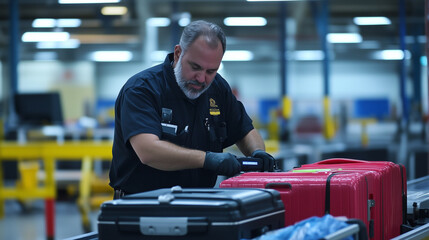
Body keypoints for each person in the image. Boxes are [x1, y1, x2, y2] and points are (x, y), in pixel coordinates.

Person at [109, 20, 274, 197]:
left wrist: (258, 153)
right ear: (178, 53)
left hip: (197, 204)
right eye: (195, 67)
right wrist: (207, 159)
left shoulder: (217, 89)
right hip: (140, 207)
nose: (202, 79)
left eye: (211, 71)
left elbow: (244, 130)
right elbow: (148, 151)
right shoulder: (142, 89)